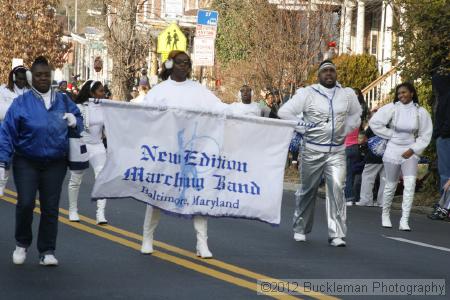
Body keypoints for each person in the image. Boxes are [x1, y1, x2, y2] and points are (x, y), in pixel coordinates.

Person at [141, 50, 227, 258]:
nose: (184, 67)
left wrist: (243, 112)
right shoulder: (159, 91)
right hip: (166, 154)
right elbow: (143, 116)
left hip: (194, 154)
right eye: (180, 63)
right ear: (170, 65)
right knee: (157, 195)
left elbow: (220, 108)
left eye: (187, 63)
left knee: (199, 195)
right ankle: (147, 238)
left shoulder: (199, 90)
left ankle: (202, 243)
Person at [0, 56, 82, 266]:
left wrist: (76, 121)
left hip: (55, 162)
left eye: (46, 74)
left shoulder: (63, 100)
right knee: (26, 203)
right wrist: (2, 161)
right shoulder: (21, 103)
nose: (43, 78)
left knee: (50, 207)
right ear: (31, 77)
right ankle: (22, 242)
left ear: (51, 75)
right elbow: (7, 132)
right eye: (38, 75)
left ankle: (46, 251)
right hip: (26, 161)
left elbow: (79, 119)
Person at [278, 60, 362, 247]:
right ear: (319, 75)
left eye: (332, 70)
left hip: (337, 151)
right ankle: (300, 229)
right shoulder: (307, 93)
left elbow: (356, 114)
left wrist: (346, 128)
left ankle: (337, 234)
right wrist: (304, 128)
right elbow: (284, 112)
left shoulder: (347, 94)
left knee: (337, 191)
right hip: (312, 150)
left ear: (336, 74)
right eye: (325, 71)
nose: (329, 74)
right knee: (308, 190)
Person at [369, 82, 432, 231]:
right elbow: (374, 122)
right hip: (392, 149)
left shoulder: (420, 112)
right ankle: (385, 215)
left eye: (404, 92)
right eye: (399, 93)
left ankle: (405, 220)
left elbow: (426, 134)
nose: (401, 95)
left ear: (411, 93)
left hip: (410, 150)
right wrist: (390, 135)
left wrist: (413, 149)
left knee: (409, 185)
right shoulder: (392, 108)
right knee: (391, 184)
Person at [67, 80, 109, 224]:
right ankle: (73, 210)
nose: (104, 93)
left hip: (98, 146)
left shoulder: (105, 107)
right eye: (101, 91)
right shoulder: (78, 107)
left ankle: (100, 214)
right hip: (82, 145)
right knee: (76, 179)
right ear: (91, 93)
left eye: (104, 91)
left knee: (102, 180)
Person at [0, 66, 30, 195]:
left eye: (24, 79)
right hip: (6, 129)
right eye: (19, 79)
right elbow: (2, 112)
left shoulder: (30, 93)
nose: (22, 81)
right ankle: (1, 185)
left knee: (25, 164)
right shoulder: (3, 90)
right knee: (4, 161)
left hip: (25, 132)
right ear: (13, 78)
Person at [357, 119, 386, 207]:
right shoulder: (391, 125)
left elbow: (365, 138)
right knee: (385, 179)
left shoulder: (374, 124)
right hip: (388, 156)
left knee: (368, 177)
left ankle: (366, 200)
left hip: (373, 156)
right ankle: (383, 202)